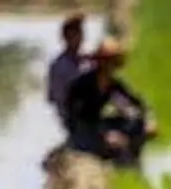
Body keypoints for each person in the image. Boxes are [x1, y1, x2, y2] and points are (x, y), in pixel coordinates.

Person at [62, 37, 157, 167]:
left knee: (136, 123)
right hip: (83, 131)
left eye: (113, 63)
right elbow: (75, 117)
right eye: (107, 62)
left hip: (98, 125)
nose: (110, 67)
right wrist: (104, 135)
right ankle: (121, 161)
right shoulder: (82, 85)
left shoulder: (113, 84)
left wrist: (148, 120)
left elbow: (138, 103)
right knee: (113, 142)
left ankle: (131, 161)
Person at [46, 14, 89, 129]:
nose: (79, 37)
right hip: (73, 119)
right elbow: (57, 99)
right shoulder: (58, 66)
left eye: (80, 33)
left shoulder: (86, 63)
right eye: (75, 34)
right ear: (66, 37)